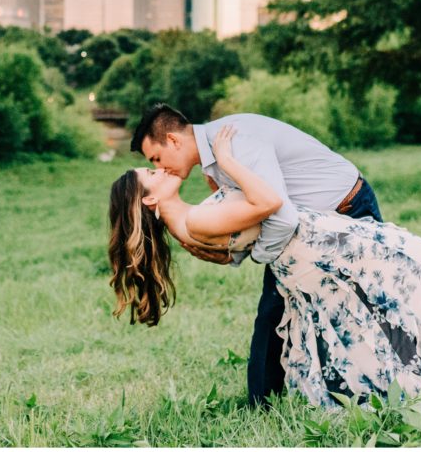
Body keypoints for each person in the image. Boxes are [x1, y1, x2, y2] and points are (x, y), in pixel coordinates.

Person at [109, 124, 421, 407]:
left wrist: (223, 181)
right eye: (151, 171)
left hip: (311, 243)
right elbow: (269, 203)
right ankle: (416, 379)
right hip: (313, 244)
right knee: (411, 268)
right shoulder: (196, 221)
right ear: (151, 199)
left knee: (360, 314)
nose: (161, 168)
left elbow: (242, 230)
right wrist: (228, 161)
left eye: (155, 161)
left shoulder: (191, 217)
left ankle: (402, 376)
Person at [130, 104, 382, 406]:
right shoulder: (215, 156)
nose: (160, 167)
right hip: (309, 225)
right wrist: (232, 255)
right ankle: (264, 400)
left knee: (370, 304)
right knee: (276, 310)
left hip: (346, 210)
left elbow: (280, 217)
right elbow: (250, 218)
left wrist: (259, 257)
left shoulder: (233, 143)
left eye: (156, 158)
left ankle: (377, 386)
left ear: (173, 140)